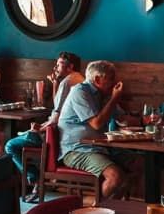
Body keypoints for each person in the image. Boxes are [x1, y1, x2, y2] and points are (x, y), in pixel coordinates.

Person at [4, 52, 84, 203]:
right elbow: (58, 106)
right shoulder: (80, 79)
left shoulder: (67, 82)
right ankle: (40, 180)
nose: (55, 67)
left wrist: (39, 128)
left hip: (55, 137)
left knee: (10, 145)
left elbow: (56, 117)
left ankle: (36, 180)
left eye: (59, 64)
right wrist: (55, 83)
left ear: (70, 66)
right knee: (24, 136)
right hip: (67, 134)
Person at [58, 60, 140, 199]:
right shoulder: (80, 91)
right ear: (97, 79)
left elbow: (123, 119)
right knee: (115, 176)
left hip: (101, 147)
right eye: (111, 78)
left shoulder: (105, 94)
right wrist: (114, 98)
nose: (115, 82)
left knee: (139, 164)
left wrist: (145, 120)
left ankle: (113, 206)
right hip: (76, 149)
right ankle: (100, 209)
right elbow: (96, 123)